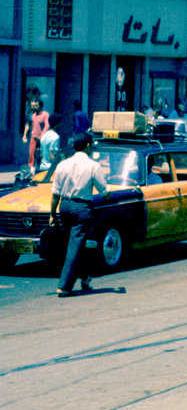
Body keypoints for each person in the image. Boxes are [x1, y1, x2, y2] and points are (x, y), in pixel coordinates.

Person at [49, 134, 109, 296]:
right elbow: (104, 191)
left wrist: (52, 214)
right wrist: (106, 195)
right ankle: (64, 285)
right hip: (82, 208)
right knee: (75, 246)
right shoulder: (93, 166)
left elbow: (55, 194)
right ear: (88, 146)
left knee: (76, 243)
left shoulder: (63, 165)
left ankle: (85, 278)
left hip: (65, 206)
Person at [23, 98, 50, 171]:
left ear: (40, 106)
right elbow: (28, 124)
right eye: (33, 106)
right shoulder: (32, 115)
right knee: (31, 154)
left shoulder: (45, 114)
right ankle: (31, 170)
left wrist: (42, 135)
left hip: (42, 139)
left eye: (36, 106)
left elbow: (47, 125)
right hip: (33, 137)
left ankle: (41, 169)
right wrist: (24, 136)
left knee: (41, 155)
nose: (34, 108)